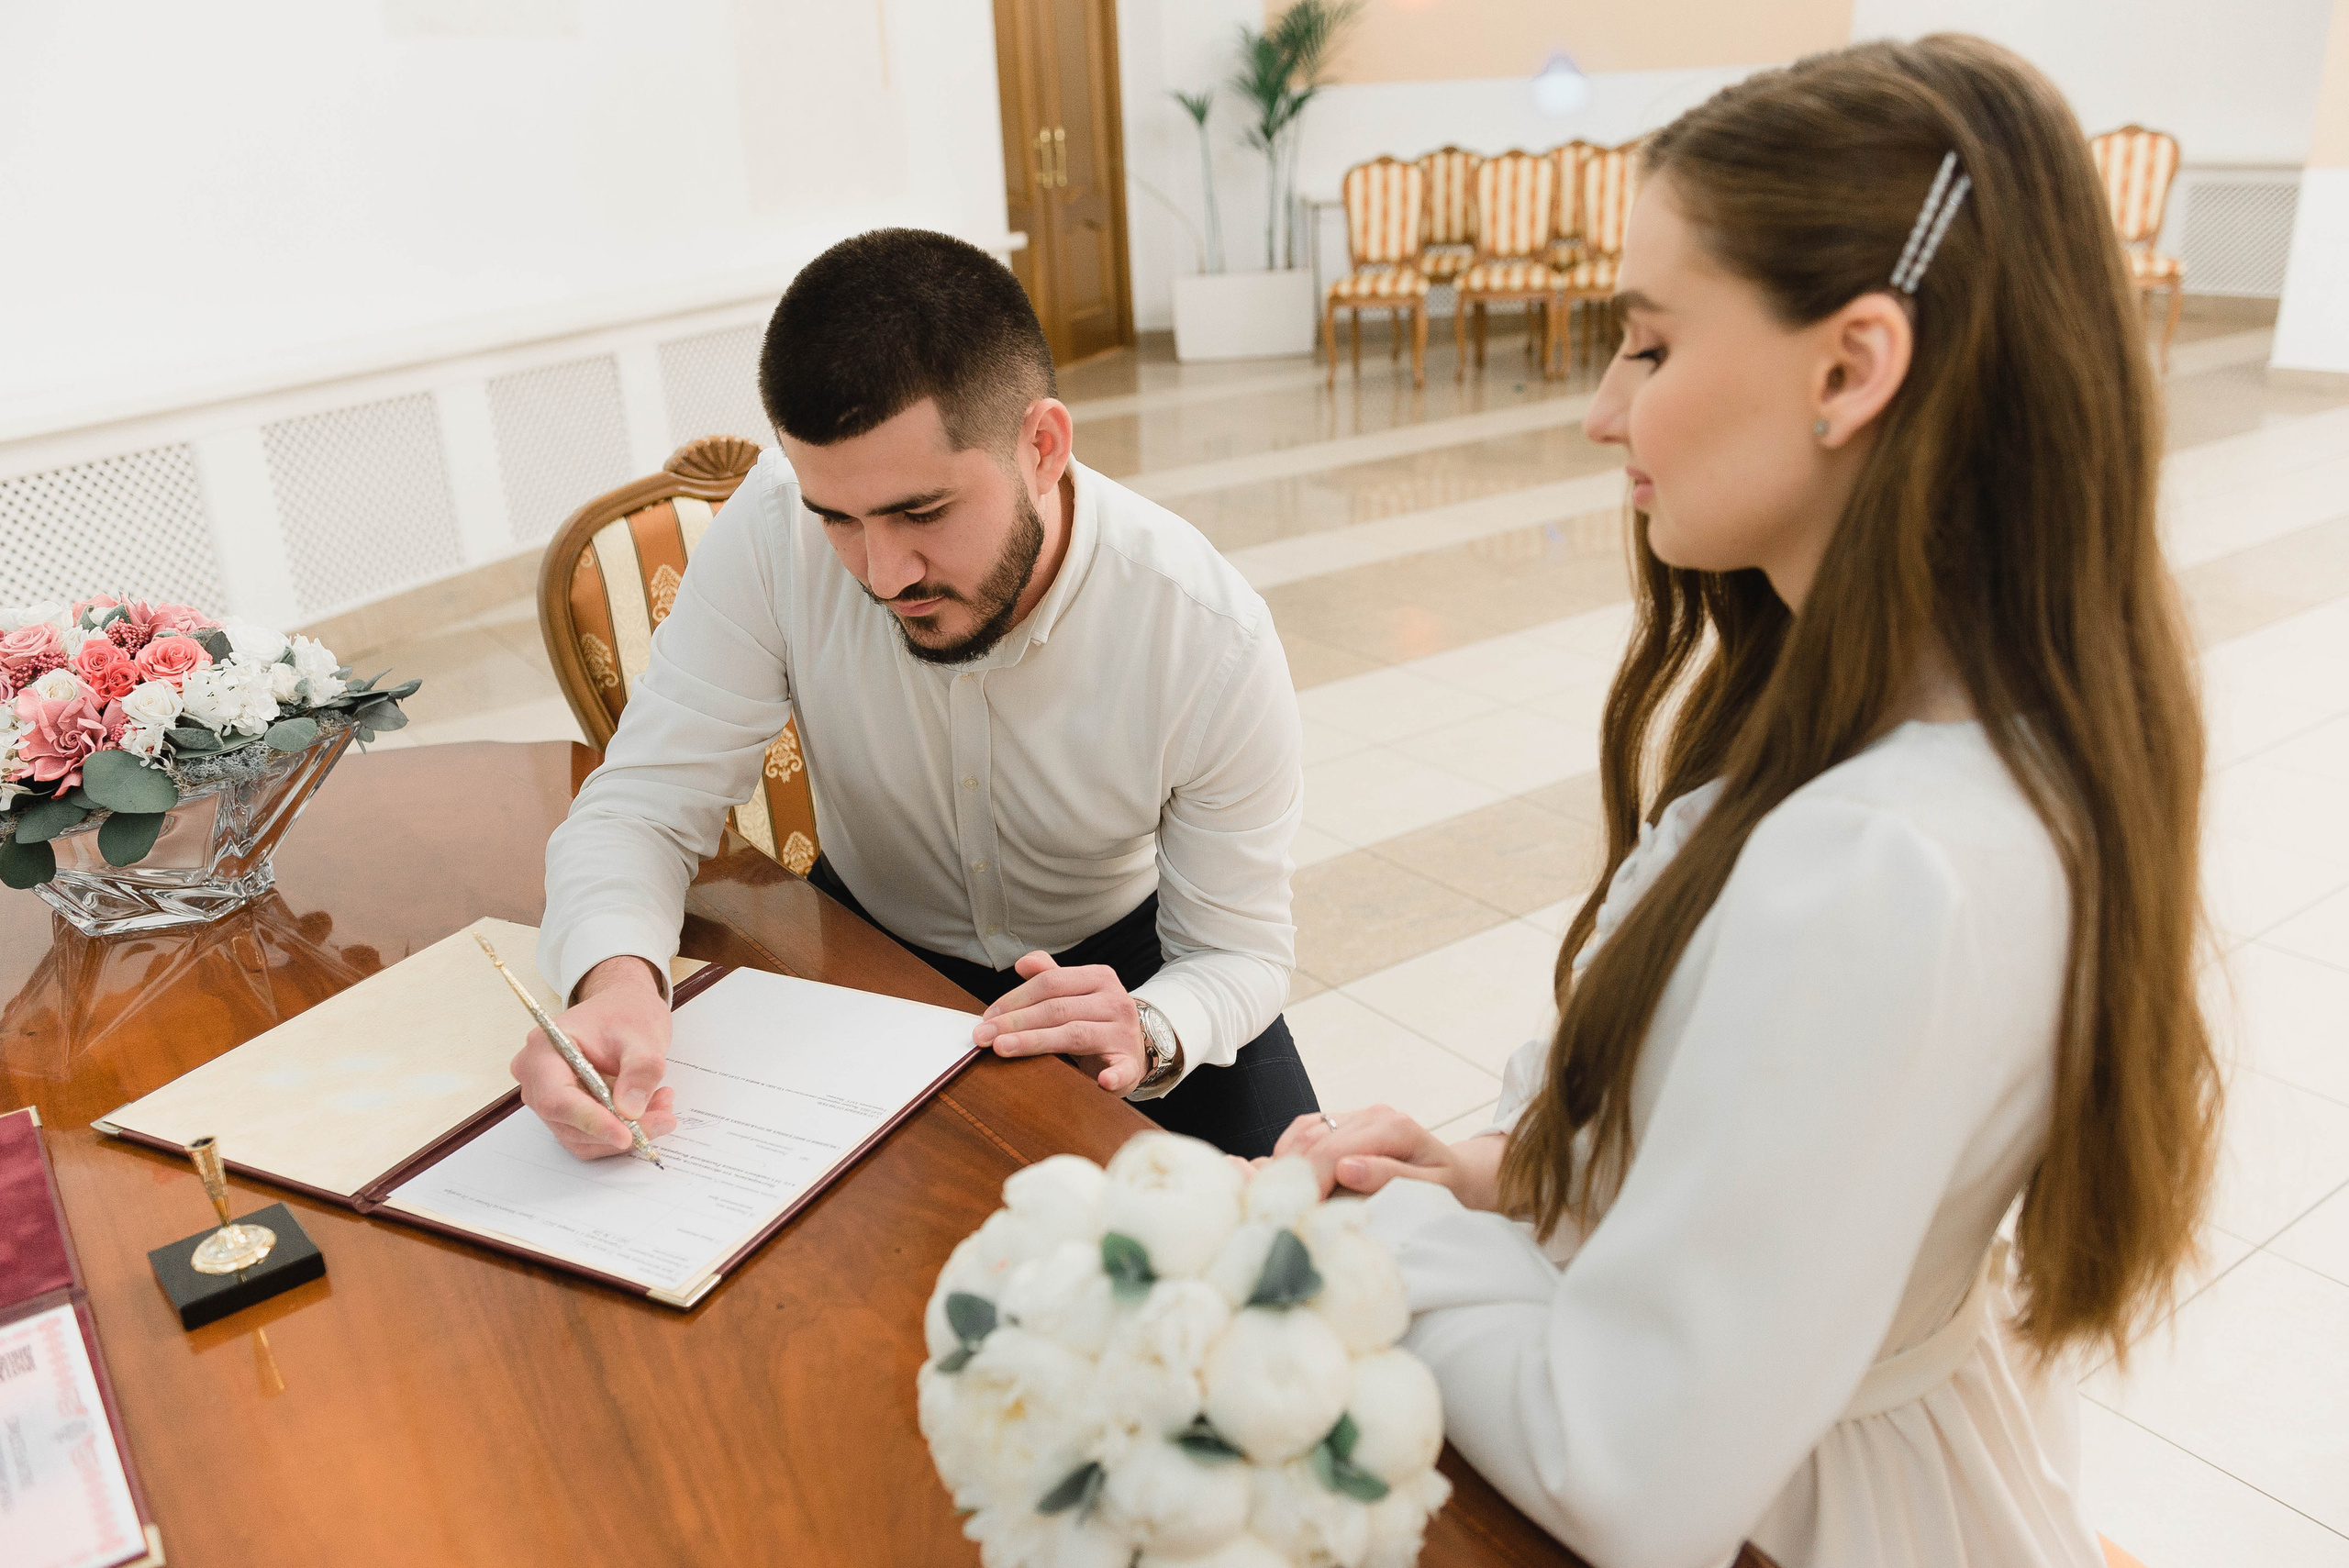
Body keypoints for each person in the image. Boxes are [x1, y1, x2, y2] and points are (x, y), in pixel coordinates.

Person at [1270, 36, 2220, 1568]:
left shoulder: (1879, 863)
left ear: (1849, 368)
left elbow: (1629, 1470)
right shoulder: (1931, 716)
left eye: (1649, 346)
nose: (1603, 410)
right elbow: (1772, 1179)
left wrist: (1381, 1231)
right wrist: (1492, 1171)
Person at [521, 228, 1318, 1160]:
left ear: (1043, 446)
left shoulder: (1208, 633)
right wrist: (616, 981)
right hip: (868, 945)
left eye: (922, 512)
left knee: (1291, 1226)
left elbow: (1238, 952)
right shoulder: (771, 531)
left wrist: (1152, 1026)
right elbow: (643, 803)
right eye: (839, 519)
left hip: (1130, 967)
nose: (884, 573)